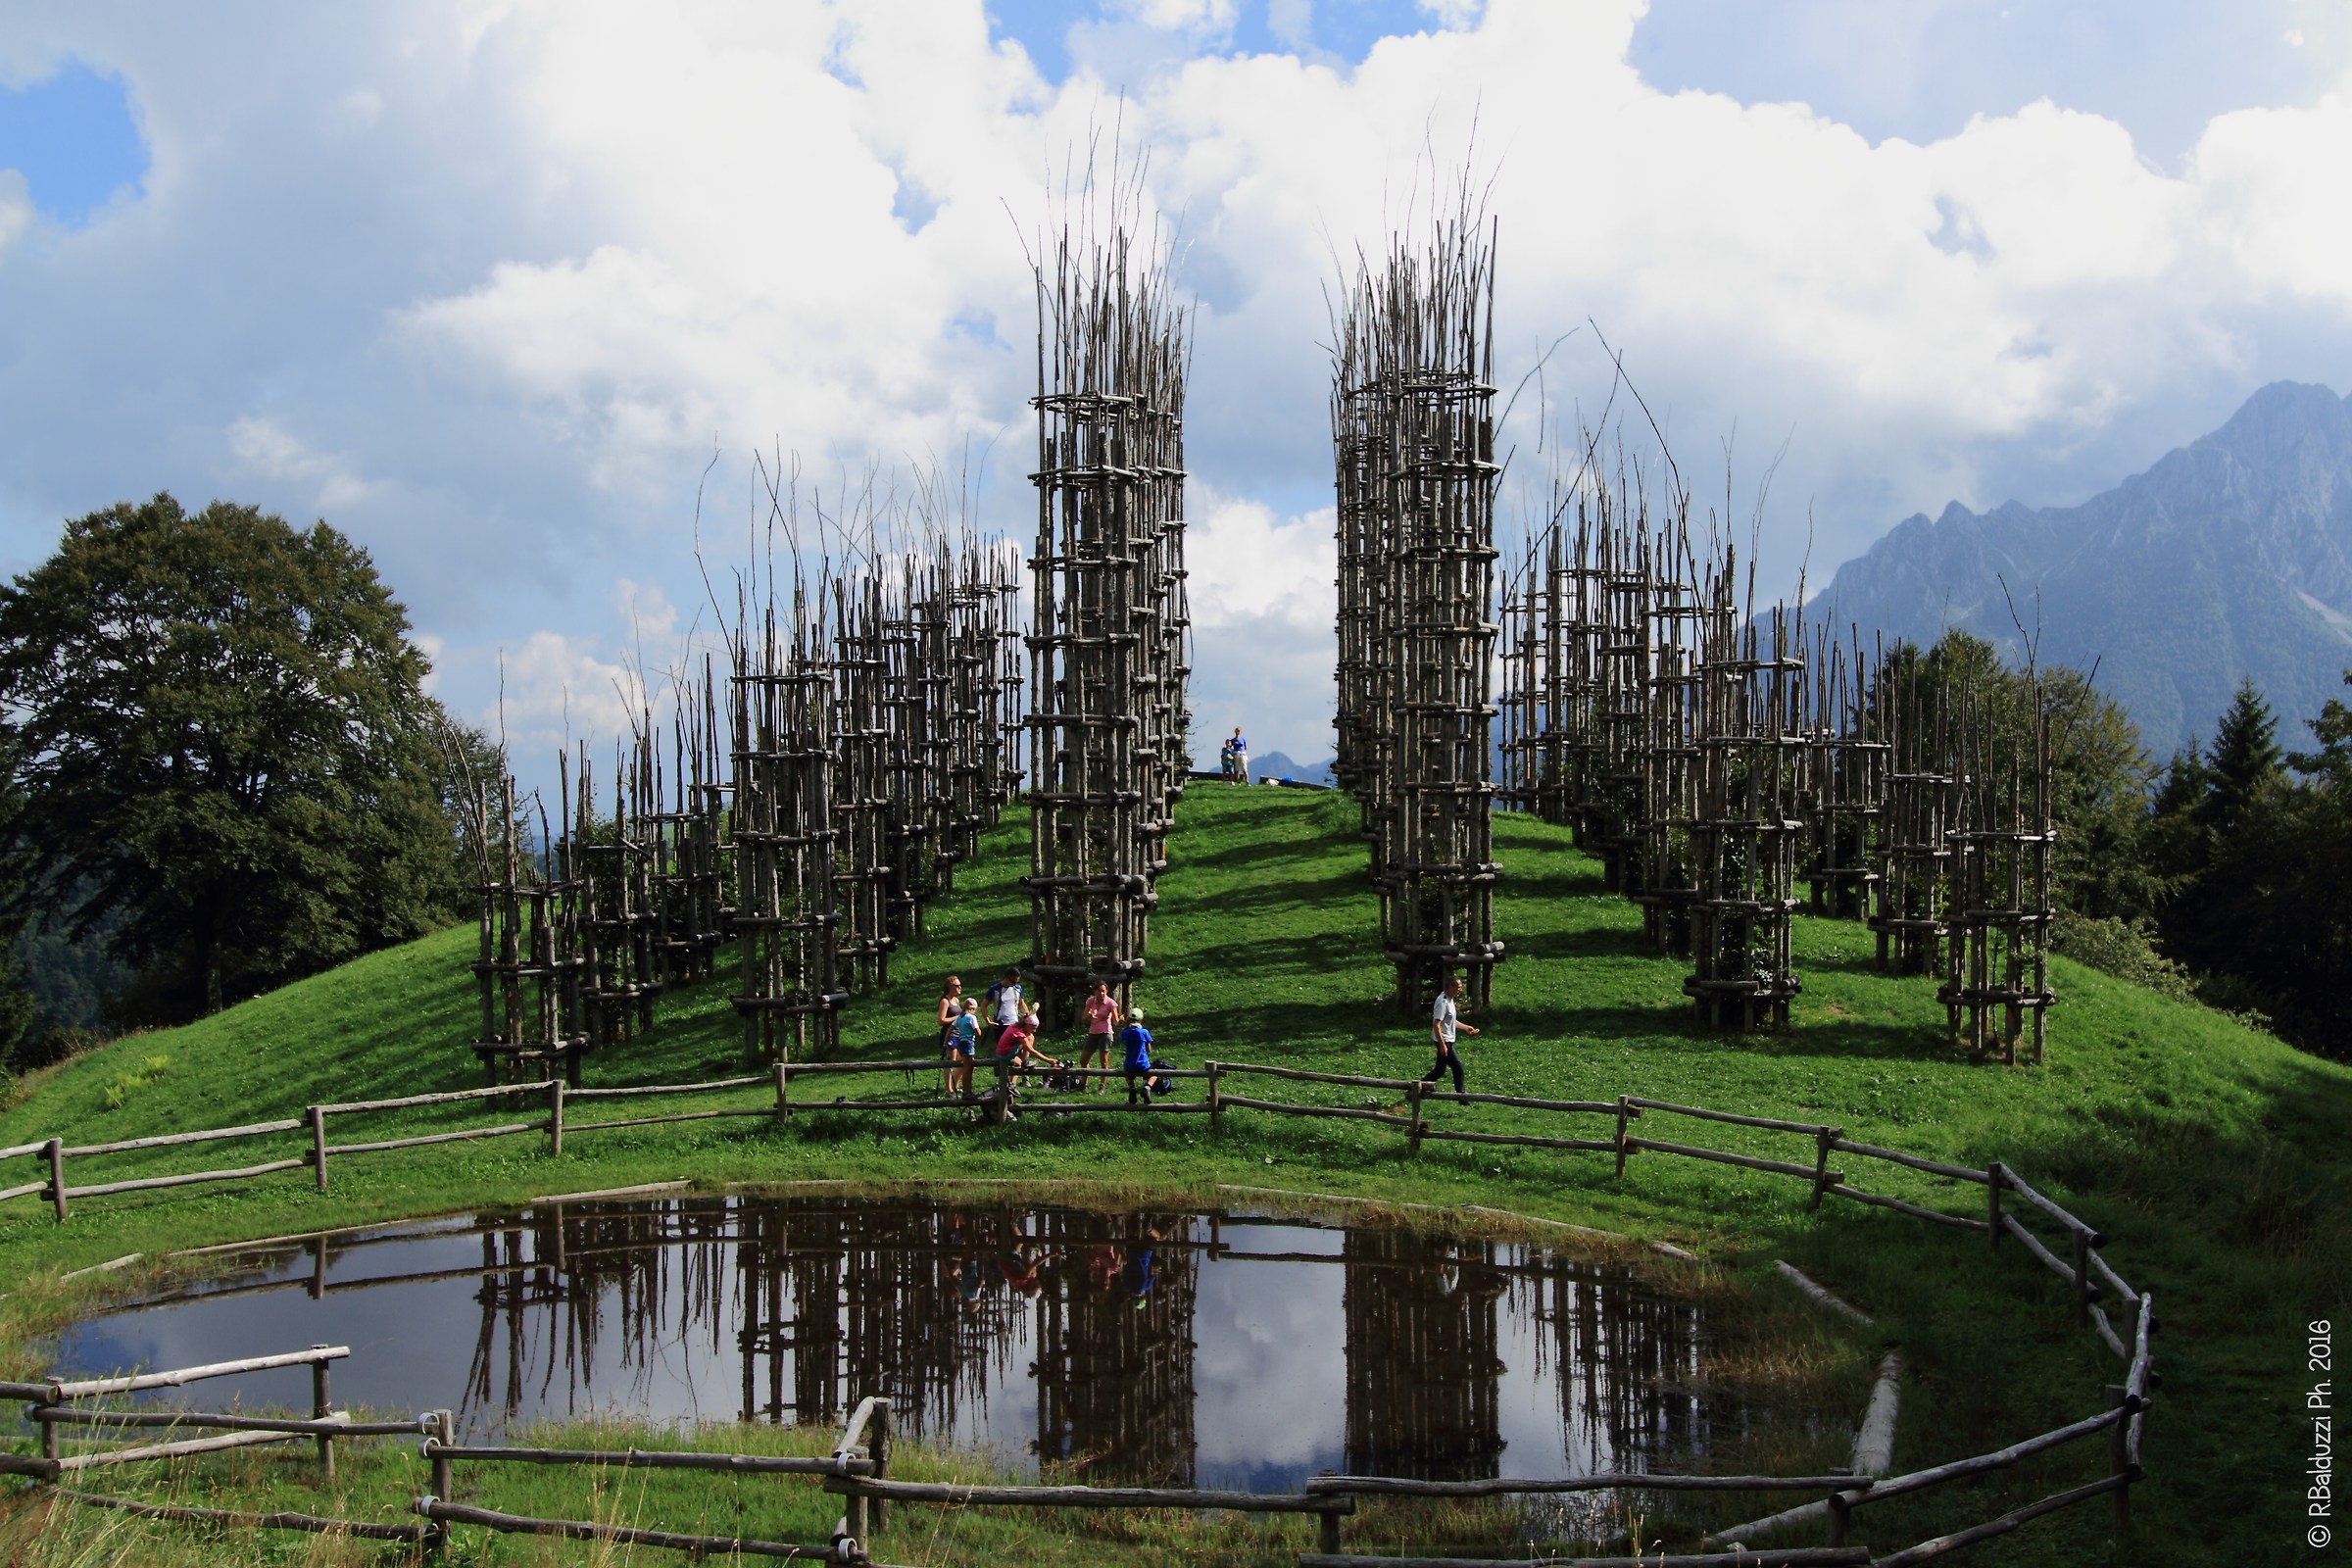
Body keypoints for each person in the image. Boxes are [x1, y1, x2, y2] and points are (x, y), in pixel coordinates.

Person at [1423, 975, 1479, 1095]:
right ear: (1450, 987)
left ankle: (1417, 1087)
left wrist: (1465, 1028)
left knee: (1439, 1070)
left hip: (1447, 1040)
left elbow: (1450, 1021)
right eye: (1458, 987)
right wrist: (1442, 1045)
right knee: (1458, 1068)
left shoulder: (1450, 999)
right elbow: (1436, 1025)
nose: (1460, 990)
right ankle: (1462, 1096)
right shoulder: (1443, 1002)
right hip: (1444, 1040)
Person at [1078, 980, 1123, 1093]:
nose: (1102, 994)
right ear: (1095, 992)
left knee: (1103, 1061)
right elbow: (1083, 1019)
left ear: (1107, 991)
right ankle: (1083, 1083)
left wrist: (1121, 1020)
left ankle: (1102, 1085)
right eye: (1099, 991)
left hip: (1105, 1033)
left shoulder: (1110, 1003)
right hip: (1093, 1032)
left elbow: (1116, 1021)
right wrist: (1089, 1016)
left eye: (1104, 991)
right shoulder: (1090, 1001)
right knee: (1083, 1060)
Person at [1119, 1007, 1156, 1105]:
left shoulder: (1126, 1033)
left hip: (1129, 1065)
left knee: (1128, 1075)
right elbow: (1149, 1049)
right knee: (1155, 1074)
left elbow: (1122, 1037)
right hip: (1143, 1064)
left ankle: (1132, 1087)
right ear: (1140, 1020)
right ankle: (1147, 1087)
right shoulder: (1144, 1032)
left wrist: (1124, 1025)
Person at [983, 968, 1025, 1055]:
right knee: (1004, 1051)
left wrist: (1027, 1015)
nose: (1014, 984)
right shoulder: (995, 989)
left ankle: (1020, 1066)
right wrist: (988, 1021)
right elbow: (983, 1006)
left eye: (1016, 982)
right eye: (1013, 982)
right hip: (1001, 1025)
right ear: (1006, 978)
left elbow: (1021, 1004)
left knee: (1018, 1048)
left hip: (1015, 1024)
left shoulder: (1018, 988)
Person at [947, 998, 982, 1097]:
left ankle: (966, 1090)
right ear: (973, 1008)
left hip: (960, 1043)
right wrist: (978, 1031)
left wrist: (946, 1041)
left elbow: (950, 1028)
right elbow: (977, 1031)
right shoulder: (971, 1017)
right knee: (968, 1069)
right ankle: (967, 1091)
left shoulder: (960, 1017)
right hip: (968, 1043)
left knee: (967, 1066)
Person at [936, 975, 964, 1092]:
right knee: (950, 1061)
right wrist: (957, 1018)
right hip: (949, 1034)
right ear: (949, 987)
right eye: (956, 986)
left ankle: (955, 1085)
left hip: (959, 1034)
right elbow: (941, 1020)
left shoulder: (956, 1000)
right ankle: (949, 1089)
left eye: (960, 985)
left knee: (962, 1061)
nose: (959, 987)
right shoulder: (945, 1001)